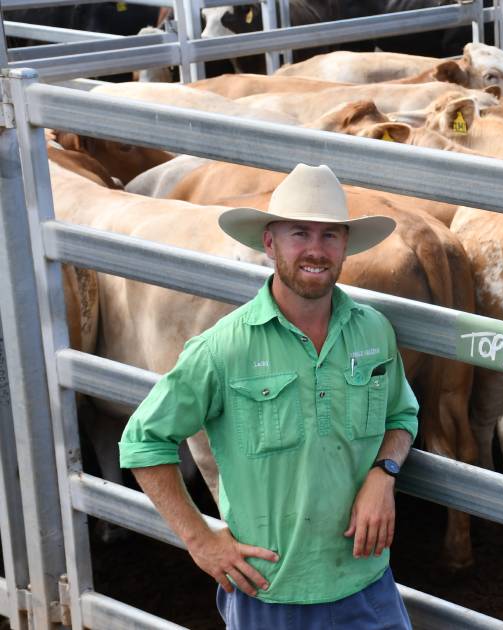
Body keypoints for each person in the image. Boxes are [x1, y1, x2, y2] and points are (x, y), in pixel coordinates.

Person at [119, 163, 419, 629]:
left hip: (366, 584)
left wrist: (384, 473)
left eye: (330, 236)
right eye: (300, 233)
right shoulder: (224, 347)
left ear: (345, 246)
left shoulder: (374, 332)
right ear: (269, 242)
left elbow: (402, 415)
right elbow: (142, 442)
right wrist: (201, 540)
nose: (315, 251)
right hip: (269, 595)